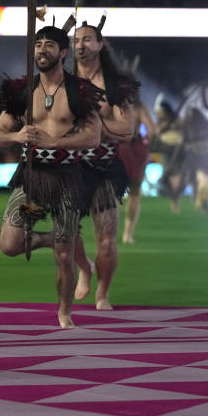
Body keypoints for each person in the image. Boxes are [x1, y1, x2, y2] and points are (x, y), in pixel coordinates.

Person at [0, 23, 102, 328]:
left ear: (63, 53)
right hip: (31, 178)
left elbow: (93, 137)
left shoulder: (78, 91)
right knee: (11, 245)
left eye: (49, 45)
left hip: (67, 178)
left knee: (65, 257)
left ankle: (64, 313)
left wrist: (57, 142)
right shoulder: (22, 91)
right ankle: (59, 239)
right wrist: (17, 137)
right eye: (38, 44)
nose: (42, 49)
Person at [69, 18, 140, 311]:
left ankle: (103, 293)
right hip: (70, 167)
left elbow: (128, 130)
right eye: (75, 40)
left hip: (104, 166)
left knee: (107, 240)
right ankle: (84, 267)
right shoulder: (62, 82)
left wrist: (98, 129)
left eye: (87, 39)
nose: (80, 45)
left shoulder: (115, 86)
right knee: (66, 233)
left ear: (100, 44)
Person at [173, 83, 208, 213]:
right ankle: (176, 200)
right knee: (185, 179)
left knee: (205, 177)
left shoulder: (207, 122)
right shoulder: (187, 125)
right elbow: (183, 142)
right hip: (193, 155)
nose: (192, 114)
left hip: (207, 155)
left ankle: (202, 201)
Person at [117, 100, 157, 243]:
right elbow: (152, 131)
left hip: (117, 148)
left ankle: (110, 232)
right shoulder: (139, 108)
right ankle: (127, 235)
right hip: (135, 150)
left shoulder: (113, 105)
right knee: (134, 194)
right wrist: (147, 146)